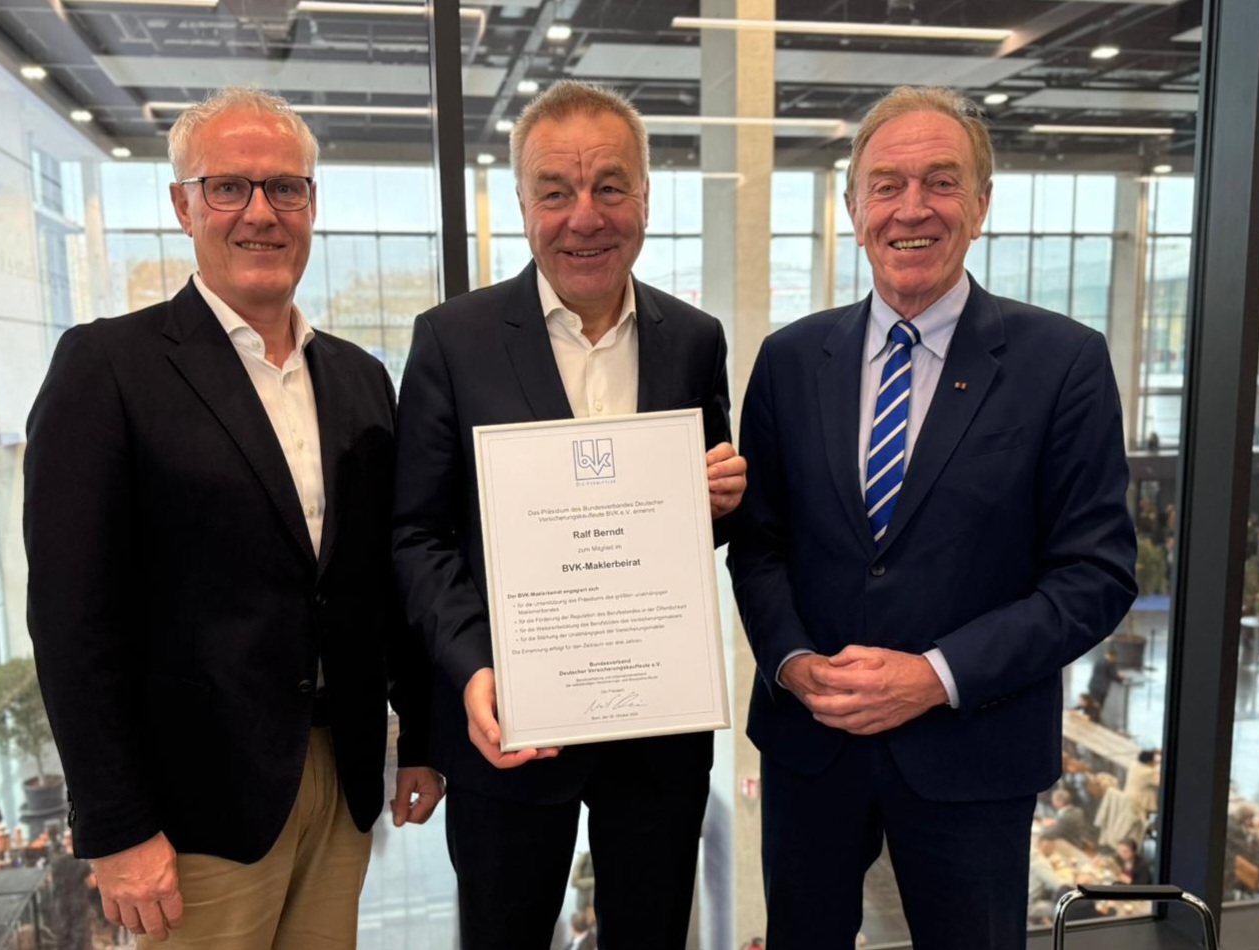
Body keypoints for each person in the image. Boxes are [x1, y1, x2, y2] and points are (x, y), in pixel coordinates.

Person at [25, 87, 440, 949]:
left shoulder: (361, 377)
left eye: (285, 188)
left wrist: (424, 737)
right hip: (194, 814)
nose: (260, 213)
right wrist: (115, 825)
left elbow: (381, 584)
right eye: (228, 187)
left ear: (311, 205)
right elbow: (70, 620)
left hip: (341, 783)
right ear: (183, 206)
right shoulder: (107, 367)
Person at [728, 85, 1136, 950]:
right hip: (811, 746)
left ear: (981, 205)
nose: (911, 208)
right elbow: (758, 545)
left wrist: (936, 675)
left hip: (972, 751)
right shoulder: (789, 360)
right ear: (853, 208)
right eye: (886, 185)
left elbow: (1095, 575)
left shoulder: (1063, 363)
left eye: (941, 182)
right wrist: (792, 662)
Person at [392, 80, 747, 950]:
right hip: (511, 726)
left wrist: (720, 501)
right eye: (556, 191)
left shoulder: (694, 339)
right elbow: (418, 535)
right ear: (523, 205)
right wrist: (473, 669)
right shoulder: (453, 340)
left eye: (609, 186)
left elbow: (692, 524)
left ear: (645, 198)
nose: (585, 216)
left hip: (657, 729)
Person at [1086, 647, 1125, 725]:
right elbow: (1114, 676)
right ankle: (1095, 722)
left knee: (1092, 704)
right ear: (1113, 656)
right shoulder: (1110, 663)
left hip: (1092, 685)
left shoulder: (1100, 659)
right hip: (1101, 689)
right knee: (1098, 706)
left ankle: (1090, 720)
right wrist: (1122, 677)